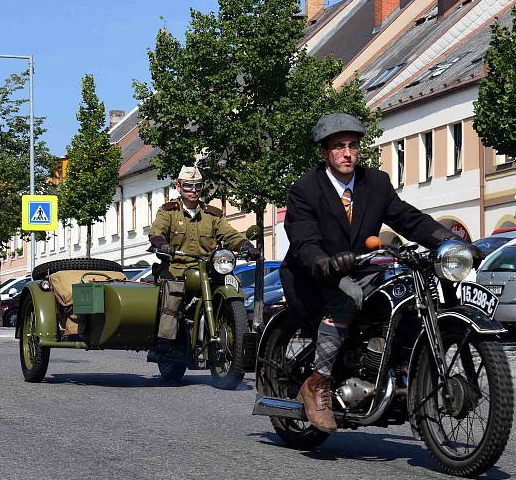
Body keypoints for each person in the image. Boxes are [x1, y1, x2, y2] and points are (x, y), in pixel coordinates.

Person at [281, 113, 457, 434]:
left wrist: (447, 239)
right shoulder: (305, 189)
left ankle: (407, 371)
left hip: (361, 270)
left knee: (407, 295)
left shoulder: (375, 183)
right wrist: (324, 261)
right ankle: (317, 383)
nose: (347, 153)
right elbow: (304, 238)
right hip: (314, 274)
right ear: (324, 151)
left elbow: (407, 218)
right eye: (338, 147)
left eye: (352, 146)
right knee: (346, 299)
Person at [147, 166, 258, 354]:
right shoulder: (168, 212)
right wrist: (161, 243)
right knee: (173, 293)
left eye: (197, 186)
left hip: (208, 269)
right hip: (178, 269)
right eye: (188, 186)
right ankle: (165, 342)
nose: (193, 190)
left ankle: (235, 329)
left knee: (233, 284)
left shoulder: (212, 215)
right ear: (178, 187)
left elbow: (229, 234)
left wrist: (245, 245)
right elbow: (157, 231)